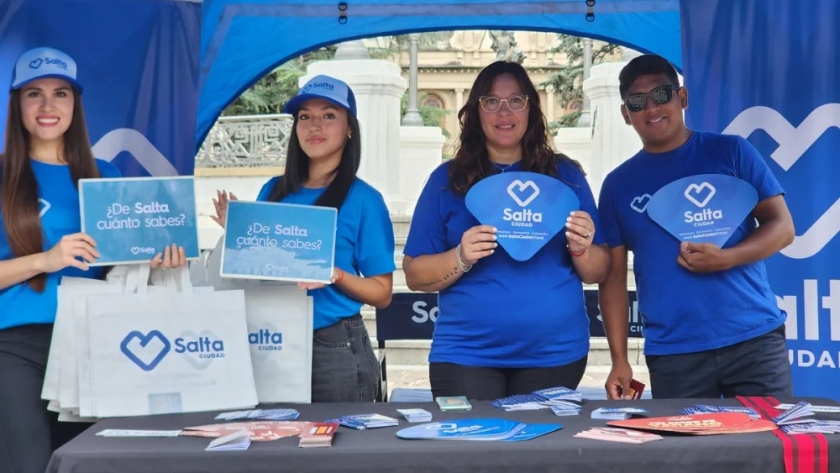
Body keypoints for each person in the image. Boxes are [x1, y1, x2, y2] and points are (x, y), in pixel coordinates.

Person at [0, 47, 186, 473]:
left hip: (93, 343)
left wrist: (154, 260)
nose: (48, 106)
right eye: (34, 94)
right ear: (17, 104)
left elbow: (119, 264)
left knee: (85, 465)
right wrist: (43, 260)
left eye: (60, 93)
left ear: (75, 104)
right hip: (14, 347)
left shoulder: (106, 176)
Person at [402, 61, 610, 401]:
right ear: (475, 111)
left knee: (537, 452)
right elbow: (414, 275)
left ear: (531, 108)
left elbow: (599, 270)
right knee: (473, 450)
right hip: (465, 354)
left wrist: (582, 247)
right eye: (491, 101)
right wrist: (460, 256)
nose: (504, 112)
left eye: (516, 100)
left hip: (554, 354)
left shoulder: (566, 177)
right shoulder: (445, 181)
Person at [597, 54, 795, 400]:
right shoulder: (617, 185)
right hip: (675, 352)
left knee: (769, 449)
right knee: (686, 454)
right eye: (637, 102)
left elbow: (782, 227)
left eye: (661, 94)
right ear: (626, 115)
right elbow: (612, 278)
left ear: (682, 97)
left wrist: (727, 258)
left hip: (753, 340)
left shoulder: (732, 152)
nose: (651, 108)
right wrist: (619, 360)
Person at [212, 74, 395, 403]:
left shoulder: (365, 200)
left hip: (335, 348)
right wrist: (240, 235)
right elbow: (262, 270)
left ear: (350, 128)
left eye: (328, 116)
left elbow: (382, 294)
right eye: (304, 117)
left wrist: (336, 275)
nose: (315, 126)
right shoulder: (272, 190)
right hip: (270, 338)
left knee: (339, 451)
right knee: (277, 448)